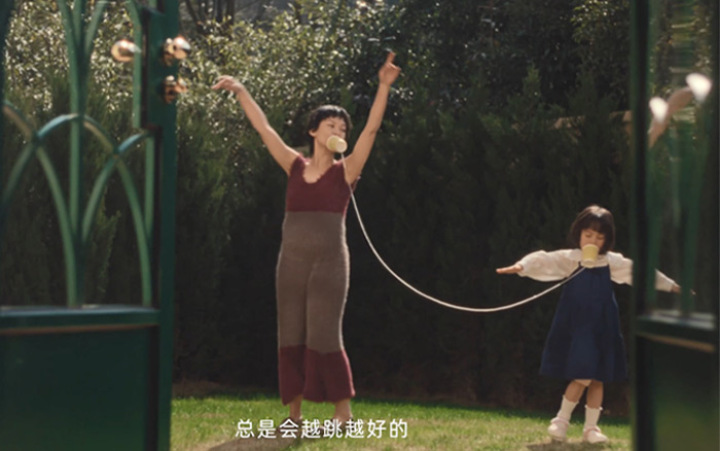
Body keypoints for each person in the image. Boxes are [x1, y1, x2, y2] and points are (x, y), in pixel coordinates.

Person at [212, 52, 401, 426]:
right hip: (291, 264)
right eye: (331, 125)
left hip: (330, 264)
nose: (339, 131)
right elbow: (265, 130)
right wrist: (242, 91)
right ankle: (294, 415)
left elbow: (371, 131)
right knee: (291, 335)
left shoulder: (347, 171)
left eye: (343, 128)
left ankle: (343, 413)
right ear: (314, 131)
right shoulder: (294, 165)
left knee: (325, 335)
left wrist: (383, 87)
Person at [496, 205, 680, 444]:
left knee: (597, 377)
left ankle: (590, 428)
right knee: (584, 373)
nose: (593, 241)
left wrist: (672, 286)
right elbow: (544, 260)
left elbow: (639, 272)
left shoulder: (610, 262)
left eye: (599, 237)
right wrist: (522, 266)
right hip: (578, 325)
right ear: (579, 233)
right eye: (588, 235)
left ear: (607, 240)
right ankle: (561, 420)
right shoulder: (571, 259)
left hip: (603, 324)